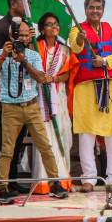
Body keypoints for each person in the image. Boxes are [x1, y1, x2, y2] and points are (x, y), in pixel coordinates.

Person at [0, 19, 68, 202]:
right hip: (10, 108)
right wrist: (3, 57)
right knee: (6, 150)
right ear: (11, 36)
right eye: (20, 35)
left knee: (45, 147)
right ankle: (1, 188)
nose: (23, 39)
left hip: (31, 107)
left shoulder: (32, 55)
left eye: (26, 35)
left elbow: (41, 78)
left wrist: (24, 61)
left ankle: (55, 184)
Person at [68, 0, 112, 192]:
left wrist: (104, 61)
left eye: (99, 7)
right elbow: (75, 48)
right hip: (85, 86)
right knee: (86, 133)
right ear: (85, 9)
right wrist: (79, 38)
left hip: (110, 86)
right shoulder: (77, 29)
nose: (95, 11)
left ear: (103, 10)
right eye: (91, 7)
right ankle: (89, 179)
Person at [0, 0, 36, 195]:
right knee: (2, 140)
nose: (29, 7)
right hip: (3, 94)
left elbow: (30, 58)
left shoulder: (26, 28)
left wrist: (30, 39)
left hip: (23, 94)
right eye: (26, 3)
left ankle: (13, 180)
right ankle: (0, 183)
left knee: (18, 140)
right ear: (14, 4)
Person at [33, 12, 73, 194]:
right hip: (39, 96)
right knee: (44, 137)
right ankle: (44, 182)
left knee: (62, 135)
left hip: (58, 96)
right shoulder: (34, 47)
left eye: (56, 23)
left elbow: (67, 74)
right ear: (42, 29)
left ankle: (62, 179)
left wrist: (52, 78)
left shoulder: (64, 50)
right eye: (49, 24)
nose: (54, 26)